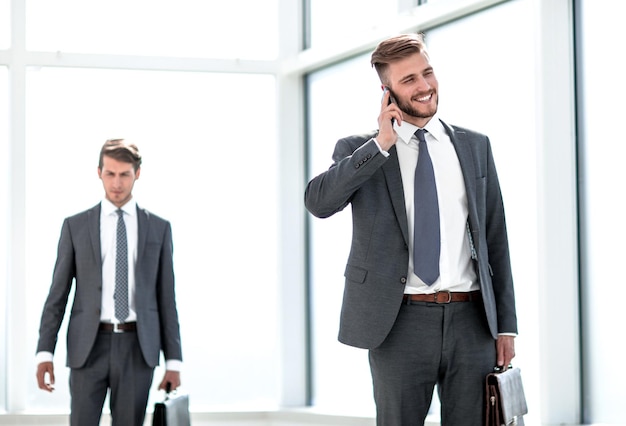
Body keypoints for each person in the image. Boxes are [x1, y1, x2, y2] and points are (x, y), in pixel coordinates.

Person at [304, 33, 518, 425]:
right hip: (398, 324)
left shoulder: (474, 146)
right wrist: (382, 143)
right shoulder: (362, 150)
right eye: (409, 80)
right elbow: (319, 203)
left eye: (427, 73)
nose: (424, 87)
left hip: (472, 322)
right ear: (386, 91)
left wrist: (506, 326)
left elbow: (494, 238)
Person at [35, 139, 183, 426]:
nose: (117, 183)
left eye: (124, 174)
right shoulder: (75, 227)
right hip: (87, 348)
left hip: (138, 348)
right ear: (99, 172)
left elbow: (167, 299)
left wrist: (174, 361)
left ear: (137, 173)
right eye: (110, 174)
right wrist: (45, 352)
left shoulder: (159, 228)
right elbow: (58, 296)